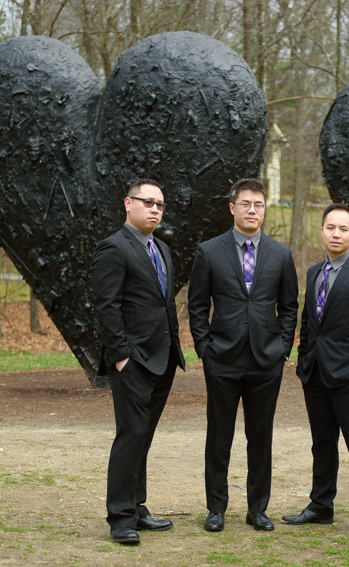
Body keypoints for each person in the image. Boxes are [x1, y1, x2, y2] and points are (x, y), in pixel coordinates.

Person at [187, 178, 299, 533]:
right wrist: (205, 349)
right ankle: (216, 508)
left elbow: (290, 306)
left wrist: (283, 348)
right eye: (246, 204)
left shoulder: (280, 254)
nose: (253, 210)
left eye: (259, 205)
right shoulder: (209, 251)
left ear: (265, 209)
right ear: (232, 207)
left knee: (260, 437)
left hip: (266, 361)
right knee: (219, 436)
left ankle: (258, 509)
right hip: (222, 358)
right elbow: (197, 305)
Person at [282, 203, 349, 541]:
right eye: (331, 227)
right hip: (314, 375)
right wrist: (303, 360)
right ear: (322, 231)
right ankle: (321, 505)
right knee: (322, 444)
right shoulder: (314, 272)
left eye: (344, 229)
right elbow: (309, 322)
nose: (336, 233)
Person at [92, 179, 186, 545]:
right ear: (127, 204)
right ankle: (119, 517)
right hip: (132, 362)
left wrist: (175, 347)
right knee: (130, 437)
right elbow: (107, 306)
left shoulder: (161, 248)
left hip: (163, 359)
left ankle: (136, 506)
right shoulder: (113, 248)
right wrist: (120, 358)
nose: (155, 209)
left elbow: (164, 305)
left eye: (160, 204)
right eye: (148, 202)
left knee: (143, 438)